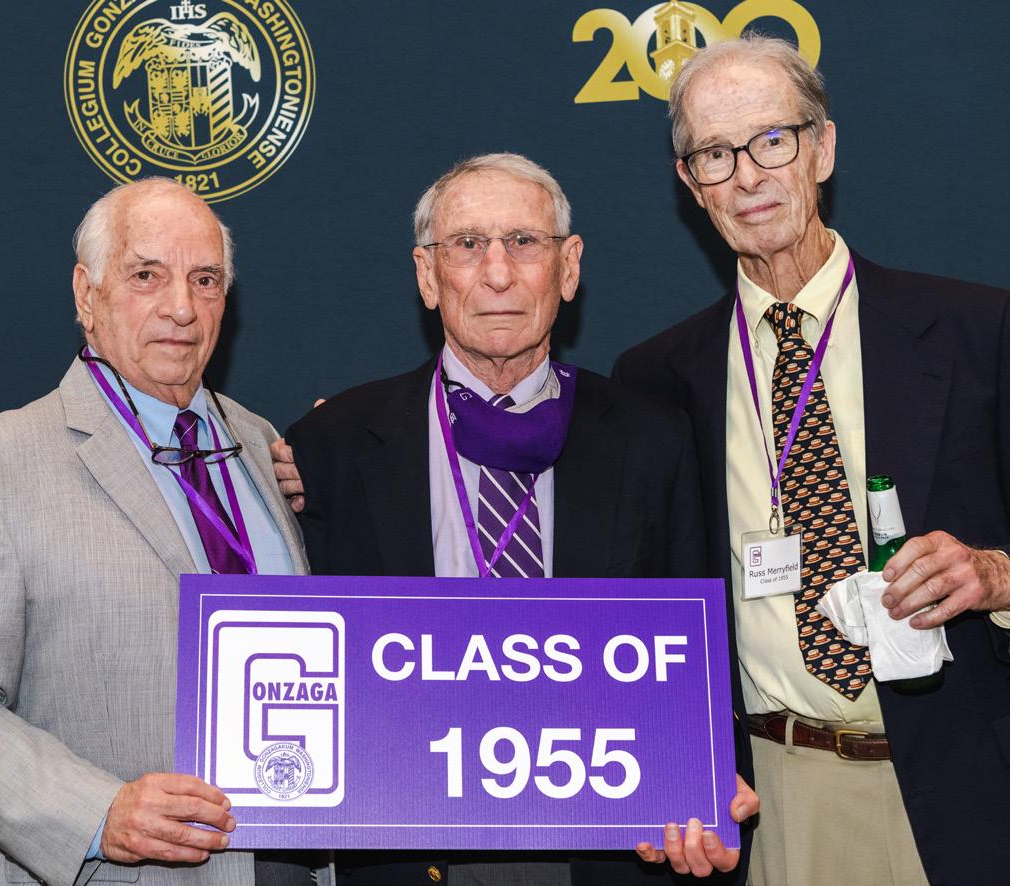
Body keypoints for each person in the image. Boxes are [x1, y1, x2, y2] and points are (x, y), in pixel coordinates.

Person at [613, 35, 1010, 886]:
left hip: (981, 789)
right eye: (716, 154)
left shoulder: (975, 330)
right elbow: (646, 612)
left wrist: (997, 575)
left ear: (822, 148)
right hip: (777, 805)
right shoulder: (655, 379)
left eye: (772, 140)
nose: (748, 176)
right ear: (690, 183)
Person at [273, 152, 756, 885]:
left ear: (568, 267)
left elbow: (699, 650)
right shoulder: (332, 443)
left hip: (602, 844)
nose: (497, 273)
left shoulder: (651, 438)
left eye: (524, 242)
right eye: (467, 245)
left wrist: (707, 778)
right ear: (427, 275)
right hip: (411, 841)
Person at [0, 179, 315, 886]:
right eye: (147, 275)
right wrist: (96, 812)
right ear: (87, 295)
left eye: (204, 280)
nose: (181, 307)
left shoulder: (259, 445)